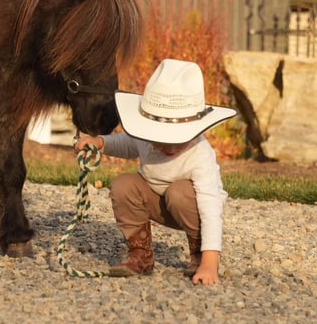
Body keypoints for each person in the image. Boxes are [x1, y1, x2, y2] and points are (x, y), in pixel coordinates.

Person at [75, 59, 236, 286]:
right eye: (162, 140)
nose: (169, 148)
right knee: (124, 184)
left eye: (177, 141)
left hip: (190, 208)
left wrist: (210, 263)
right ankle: (140, 254)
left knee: (179, 192)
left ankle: (199, 252)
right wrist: (99, 142)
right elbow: (128, 143)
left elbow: (210, 208)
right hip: (156, 201)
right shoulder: (145, 136)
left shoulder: (200, 154)